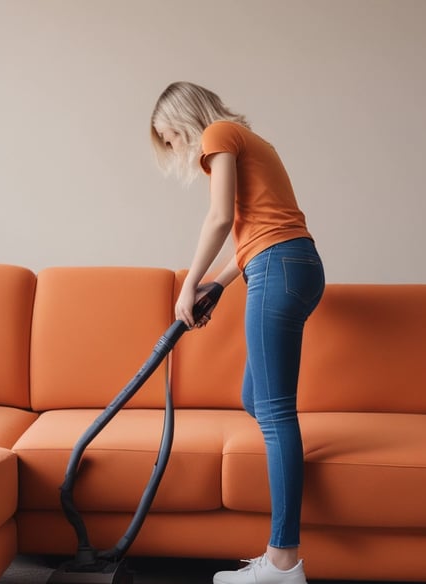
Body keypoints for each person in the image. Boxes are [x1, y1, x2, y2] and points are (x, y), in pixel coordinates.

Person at [150, 82, 325, 584]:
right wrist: (218, 285)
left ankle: (283, 562)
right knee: (257, 400)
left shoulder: (219, 134)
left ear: (182, 119)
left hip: (278, 268)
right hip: (295, 264)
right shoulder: (249, 139)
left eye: (170, 137)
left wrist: (187, 286)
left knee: (275, 414)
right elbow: (256, 232)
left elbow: (221, 217)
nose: (175, 148)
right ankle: (289, 469)